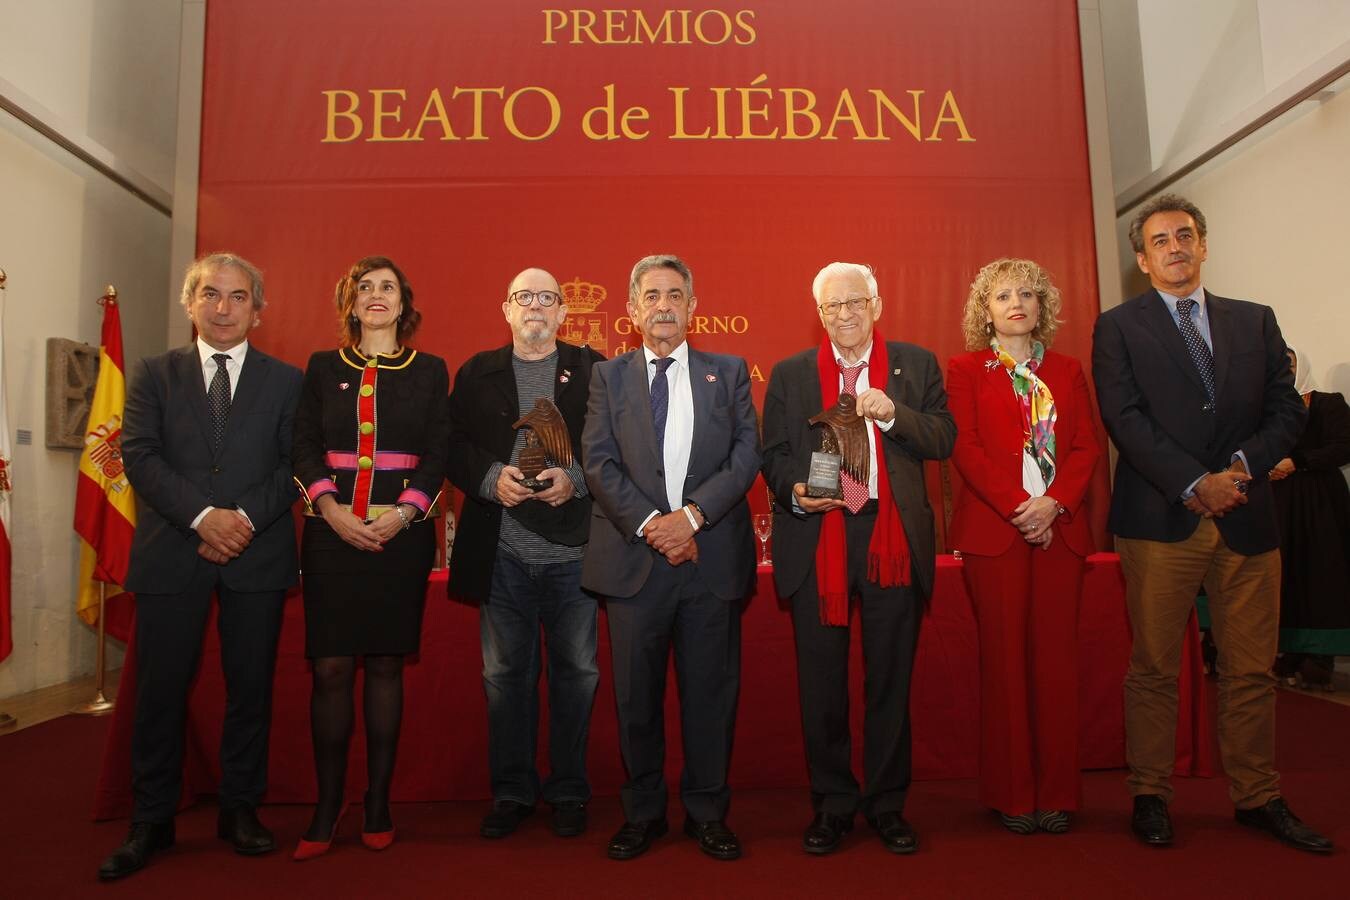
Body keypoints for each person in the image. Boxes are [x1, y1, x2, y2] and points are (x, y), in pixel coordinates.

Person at [1092, 193, 1332, 853]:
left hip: (1248, 516)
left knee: (1251, 669)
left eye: (1185, 235)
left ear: (1203, 245)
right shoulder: (1117, 327)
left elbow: (1289, 409)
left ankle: (1257, 795)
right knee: (1155, 668)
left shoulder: (1255, 322)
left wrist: (1238, 469)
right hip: (1158, 519)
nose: (1175, 247)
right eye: (1161, 240)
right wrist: (1195, 482)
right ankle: (1150, 794)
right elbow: (1124, 416)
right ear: (1142, 259)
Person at [99, 253, 304, 880]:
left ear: (258, 310)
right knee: (158, 693)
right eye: (210, 295)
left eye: (238, 297)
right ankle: (151, 819)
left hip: (257, 551)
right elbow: (139, 454)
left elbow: (294, 462)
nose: (223, 308)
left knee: (251, 691)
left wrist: (238, 519)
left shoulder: (289, 381)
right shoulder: (154, 374)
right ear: (190, 304)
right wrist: (203, 519)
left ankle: (240, 810)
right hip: (173, 553)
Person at [761, 262, 955, 856]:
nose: (843, 315)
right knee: (821, 683)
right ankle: (833, 803)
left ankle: (887, 804)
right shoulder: (794, 374)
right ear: (818, 315)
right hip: (819, 539)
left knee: (889, 681)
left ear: (877, 304)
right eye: (831, 307)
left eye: (854, 303)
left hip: (889, 538)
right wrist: (794, 489)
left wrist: (893, 414)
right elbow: (772, 455)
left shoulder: (915, 365)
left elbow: (943, 438)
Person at [581, 254, 760, 861]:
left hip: (708, 561)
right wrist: (653, 525)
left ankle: (708, 813)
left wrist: (692, 519)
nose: (664, 305)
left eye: (675, 295)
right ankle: (644, 813)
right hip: (636, 564)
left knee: (711, 695)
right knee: (636, 699)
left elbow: (744, 455)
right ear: (632, 310)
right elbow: (598, 461)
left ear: (693, 307)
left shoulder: (728, 372)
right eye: (651, 295)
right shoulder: (607, 377)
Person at [290, 256, 449, 858]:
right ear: (350, 304)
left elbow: (438, 452)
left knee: (385, 666)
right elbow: (302, 445)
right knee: (330, 668)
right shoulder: (322, 367)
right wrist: (330, 510)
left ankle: (378, 802)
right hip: (331, 533)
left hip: (399, 537)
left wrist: (404, 514)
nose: (376, 296)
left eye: (388, 288)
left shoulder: (430, 371)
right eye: (365, 288)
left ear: (404, 305)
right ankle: (328, 805)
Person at [446, 267, 605, 839]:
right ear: (505, 309)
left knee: (578, 675)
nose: (535, 306)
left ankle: (568, 791)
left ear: (564, 312)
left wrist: (578, 480)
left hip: (576, 553)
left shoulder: (594, 370)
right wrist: (490, 477)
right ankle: (512, 791)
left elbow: (617, 446)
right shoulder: (476, 373)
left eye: (546, 297)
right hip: (501, 552)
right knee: (505, 676)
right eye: (523, 297)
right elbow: (451, 445)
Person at [946, 258, 1101, 834]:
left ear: (1042, 307)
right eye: (1002, 295)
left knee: (1057, 665)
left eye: (1028, 294)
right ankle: (1013, 794)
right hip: (996, 533)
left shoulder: (1067, 369)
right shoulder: (964, 369)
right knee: (1006, 666)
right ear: (984, 310)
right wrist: (1020, 506)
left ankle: (1058, 791)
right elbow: (965, 446)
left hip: (1059, 532)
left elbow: (1085, 446)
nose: (1017, 303)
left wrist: (1054, 504)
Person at [1269, 345, 1350, 689]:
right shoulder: (1269, 408)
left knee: (1321, 576)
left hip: (1322, 507)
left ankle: (1320, 658)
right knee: (1285, 575)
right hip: (1282, 505)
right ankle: (1289, 652)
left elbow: (1344, 445)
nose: (1284, 371)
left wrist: (1297, 461)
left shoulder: (1328, 403)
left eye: (1289, 365)